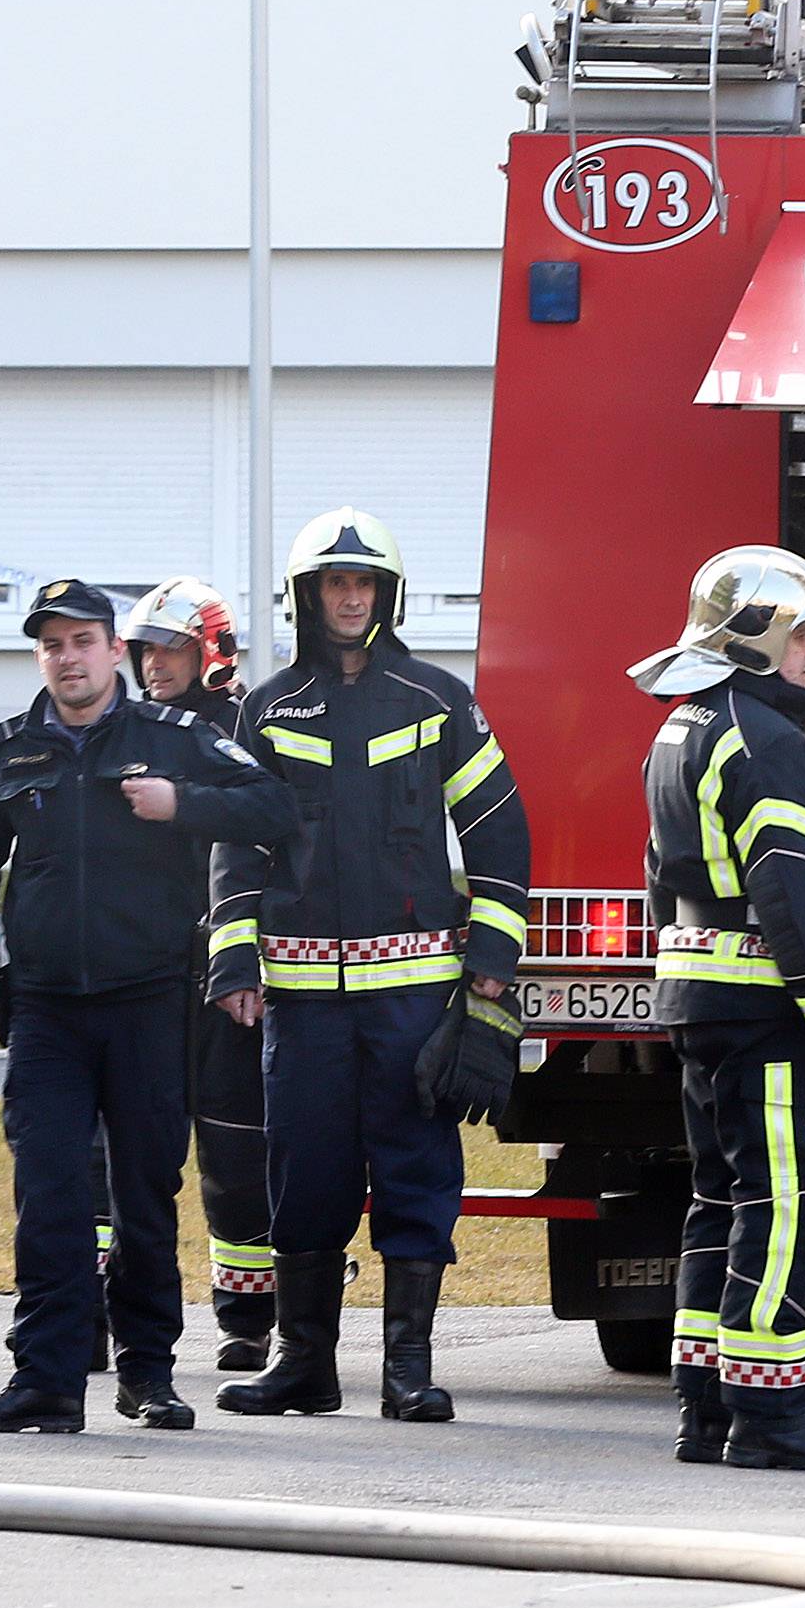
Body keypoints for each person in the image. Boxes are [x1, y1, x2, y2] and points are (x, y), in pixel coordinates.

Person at [0, 580, 298, 1434]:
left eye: (83, 640)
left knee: (143, 1192)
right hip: (47, 1011)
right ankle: (45, 1382)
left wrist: (183, 804)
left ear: (113, 651)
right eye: (52, 644)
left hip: (148, 1004)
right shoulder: (12, 751)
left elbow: (275, 805)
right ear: (41, 656)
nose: (68, 657)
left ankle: (149, 1375)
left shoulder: (174, 738)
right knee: (50, 1190)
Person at [207, 508, 531, 1423]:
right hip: (303, 1002)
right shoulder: (267, 707)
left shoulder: (436, 700)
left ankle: (407, 1372)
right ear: (307, 596)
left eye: (364, 584)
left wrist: (492, 961)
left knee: (416, 1169)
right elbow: (238, 843)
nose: (349, 598)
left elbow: (498, 828)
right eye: (333, 584)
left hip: (413, 998)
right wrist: (234, 957)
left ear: (385, 594)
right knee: (302, 1175)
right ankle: (303, 1364)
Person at [629, 545, 805, 1472]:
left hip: (704, 1002)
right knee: (797, 1212)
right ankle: (771, 1419)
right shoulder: (766, 738)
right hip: (774, 1012)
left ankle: (706, 1409)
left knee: (722, 1203)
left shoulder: (684, 723)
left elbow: (661, 877)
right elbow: (788, 888)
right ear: (761, 633)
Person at [126, 575, 276, 1370]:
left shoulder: (242, 733)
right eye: (147, 650)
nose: (156, 665)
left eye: (172, 648)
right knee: (130, 1151)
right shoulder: (128, 730)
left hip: (222, 975)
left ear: (208, 651)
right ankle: (103, 1308)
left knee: (233, 1149)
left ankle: (247, 1318)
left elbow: (263, 833)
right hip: (145, 974)